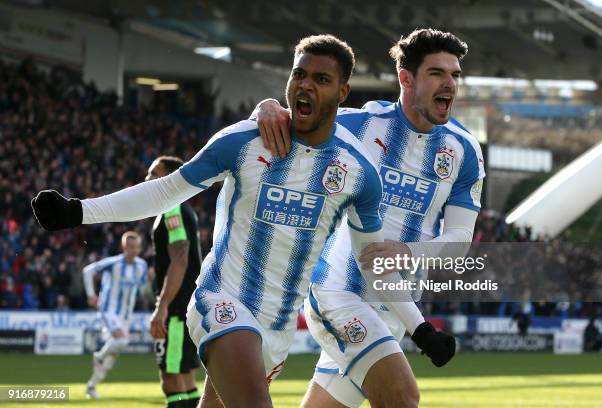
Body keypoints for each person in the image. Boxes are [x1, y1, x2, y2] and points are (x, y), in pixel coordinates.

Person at [31, 35, 401, 408]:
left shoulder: (358, 170)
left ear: (343, 91)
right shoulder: (245, 140)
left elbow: (372, 259)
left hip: (276, 329)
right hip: (221, 300)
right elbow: (164, 191)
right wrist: (78, 211)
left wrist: (416, 325)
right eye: (298, 74)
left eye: (321, 79)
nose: (305, 84)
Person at [255, 28, 485, 408]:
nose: (450, 84)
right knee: (401, 394)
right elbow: (288, 118)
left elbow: (459, 240)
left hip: (396, 308)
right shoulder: (359, 126)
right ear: (405, 78)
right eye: (437, 73)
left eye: (454, 75)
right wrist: (264, 107)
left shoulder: (463, 150)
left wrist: (406, 253)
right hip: (337, 291)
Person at [147, 156, 203, 408]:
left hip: (177, 309)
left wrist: (162, 306)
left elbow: (180, 258)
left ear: (169, 178)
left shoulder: (173, 209)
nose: (147, 179)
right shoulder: (179, 209)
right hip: (185, 305)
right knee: (186, 379)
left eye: (153, 173)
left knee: (170, 380)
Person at [82, 231, 149, 399]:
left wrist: (149, 283)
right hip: (108, 309)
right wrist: (91, 294)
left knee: (114, 353)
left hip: (126, 315)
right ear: (124, 247)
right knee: (122, 340)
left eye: (136, 247)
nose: (133, 250)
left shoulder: (142, 266)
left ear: (140, 248)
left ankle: (91, 386)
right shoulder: (113, 263)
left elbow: (142, 289)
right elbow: (87, 271)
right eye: (130, 247)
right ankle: (98, 356)